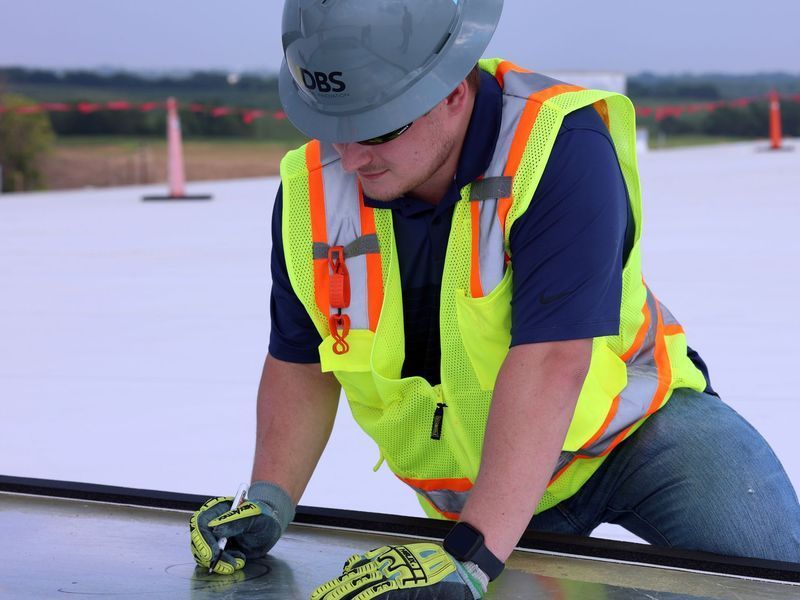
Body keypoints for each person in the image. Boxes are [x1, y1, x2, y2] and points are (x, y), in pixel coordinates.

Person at [189, 0, 800, 597]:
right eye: (330, 124)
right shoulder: (314, 194)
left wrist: (473, 556)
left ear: (453, 88)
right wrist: (268, 500)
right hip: (488, 487)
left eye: (376, 126)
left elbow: (552, 360)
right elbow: (304, 359)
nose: (349, 156)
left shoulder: (558, 144)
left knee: (771, 578)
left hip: (636, 434)